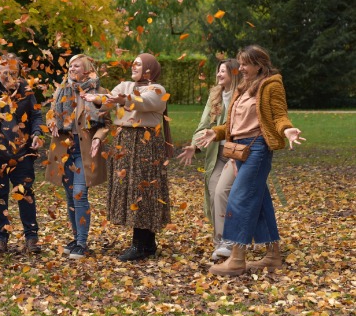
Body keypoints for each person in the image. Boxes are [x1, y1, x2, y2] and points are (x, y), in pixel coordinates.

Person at [196, 45, 304, 276]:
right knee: (261, 202)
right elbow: (234, 125)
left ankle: (236, 258)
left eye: (245, 64)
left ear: (259, 64)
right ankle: (273, 255)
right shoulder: (243, 89)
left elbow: (279, 115)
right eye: (240, 63)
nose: (241, 68)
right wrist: (215, 132)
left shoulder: (271, 85)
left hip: (258, 150)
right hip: (240, 151)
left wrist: (287, 131)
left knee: (239, 198)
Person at [84, 53, 174, 262]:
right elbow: (106, 102)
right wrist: (96, 99)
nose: (134, 67)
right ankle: (147, 244)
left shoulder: (157, 89)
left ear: (150, 69)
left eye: (139, 64)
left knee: (143, 189)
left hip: (145, 143)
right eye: (133, 63)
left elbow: (145, 102)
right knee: (132, 189)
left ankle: (140, 245)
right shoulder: (123, 85)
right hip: (124, 142)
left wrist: (124, 100)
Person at [45, 54, 110, 260]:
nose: (72, 68)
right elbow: (50, 114)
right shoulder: (61, 90)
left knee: (80, 194)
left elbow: (108, 123)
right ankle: (75, 238)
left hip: (85, 150)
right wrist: (52, 123)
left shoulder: (100, 93)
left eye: (77, 65)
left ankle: (82, 243)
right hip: (64, 151)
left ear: (87, 70)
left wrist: (98, 139)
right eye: (70, 65)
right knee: (70, 195)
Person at [177, 59, 241, 261]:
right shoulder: (215, 97)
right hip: (216, 157)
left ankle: (229, 242)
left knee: (224, 194)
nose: (219, 74)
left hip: (236, 155)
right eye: (218, 71)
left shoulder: (242, 96)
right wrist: (194, 146)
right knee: (214, 195)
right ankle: (221, 244)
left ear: (234, 73)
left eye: (223, 71)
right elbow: (202, 125)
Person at [0, 53, 44, 254]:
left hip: (22, 153)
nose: (8, 76)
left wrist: (37, 133)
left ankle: (31, 237)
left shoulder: (26, 90)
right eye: (4, 72)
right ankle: (0, 238)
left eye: (12, 72)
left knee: (25, 194)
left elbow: (36, 115)